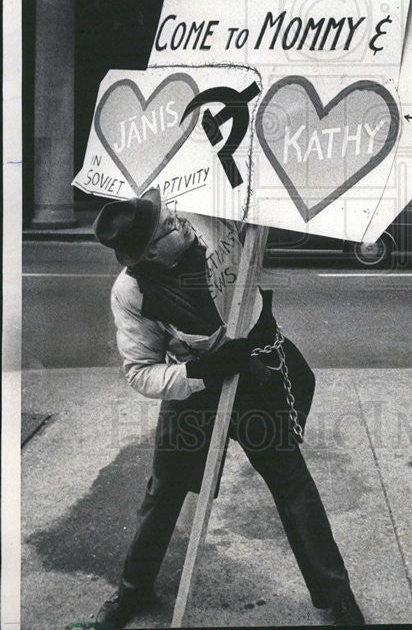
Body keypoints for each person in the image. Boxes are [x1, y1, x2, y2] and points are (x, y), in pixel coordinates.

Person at [91, 188, 364, 628]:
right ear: (150, 254)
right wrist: (201, 371)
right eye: (166, 227)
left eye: (169, 214)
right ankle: (132, 591)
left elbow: (254, 187)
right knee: (164, 489)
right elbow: (141, 371)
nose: (176, 220)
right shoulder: (132, 292)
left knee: (292, 484)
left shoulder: (208, 216)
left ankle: (337, 594)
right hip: (195, 384)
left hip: (257, 371)